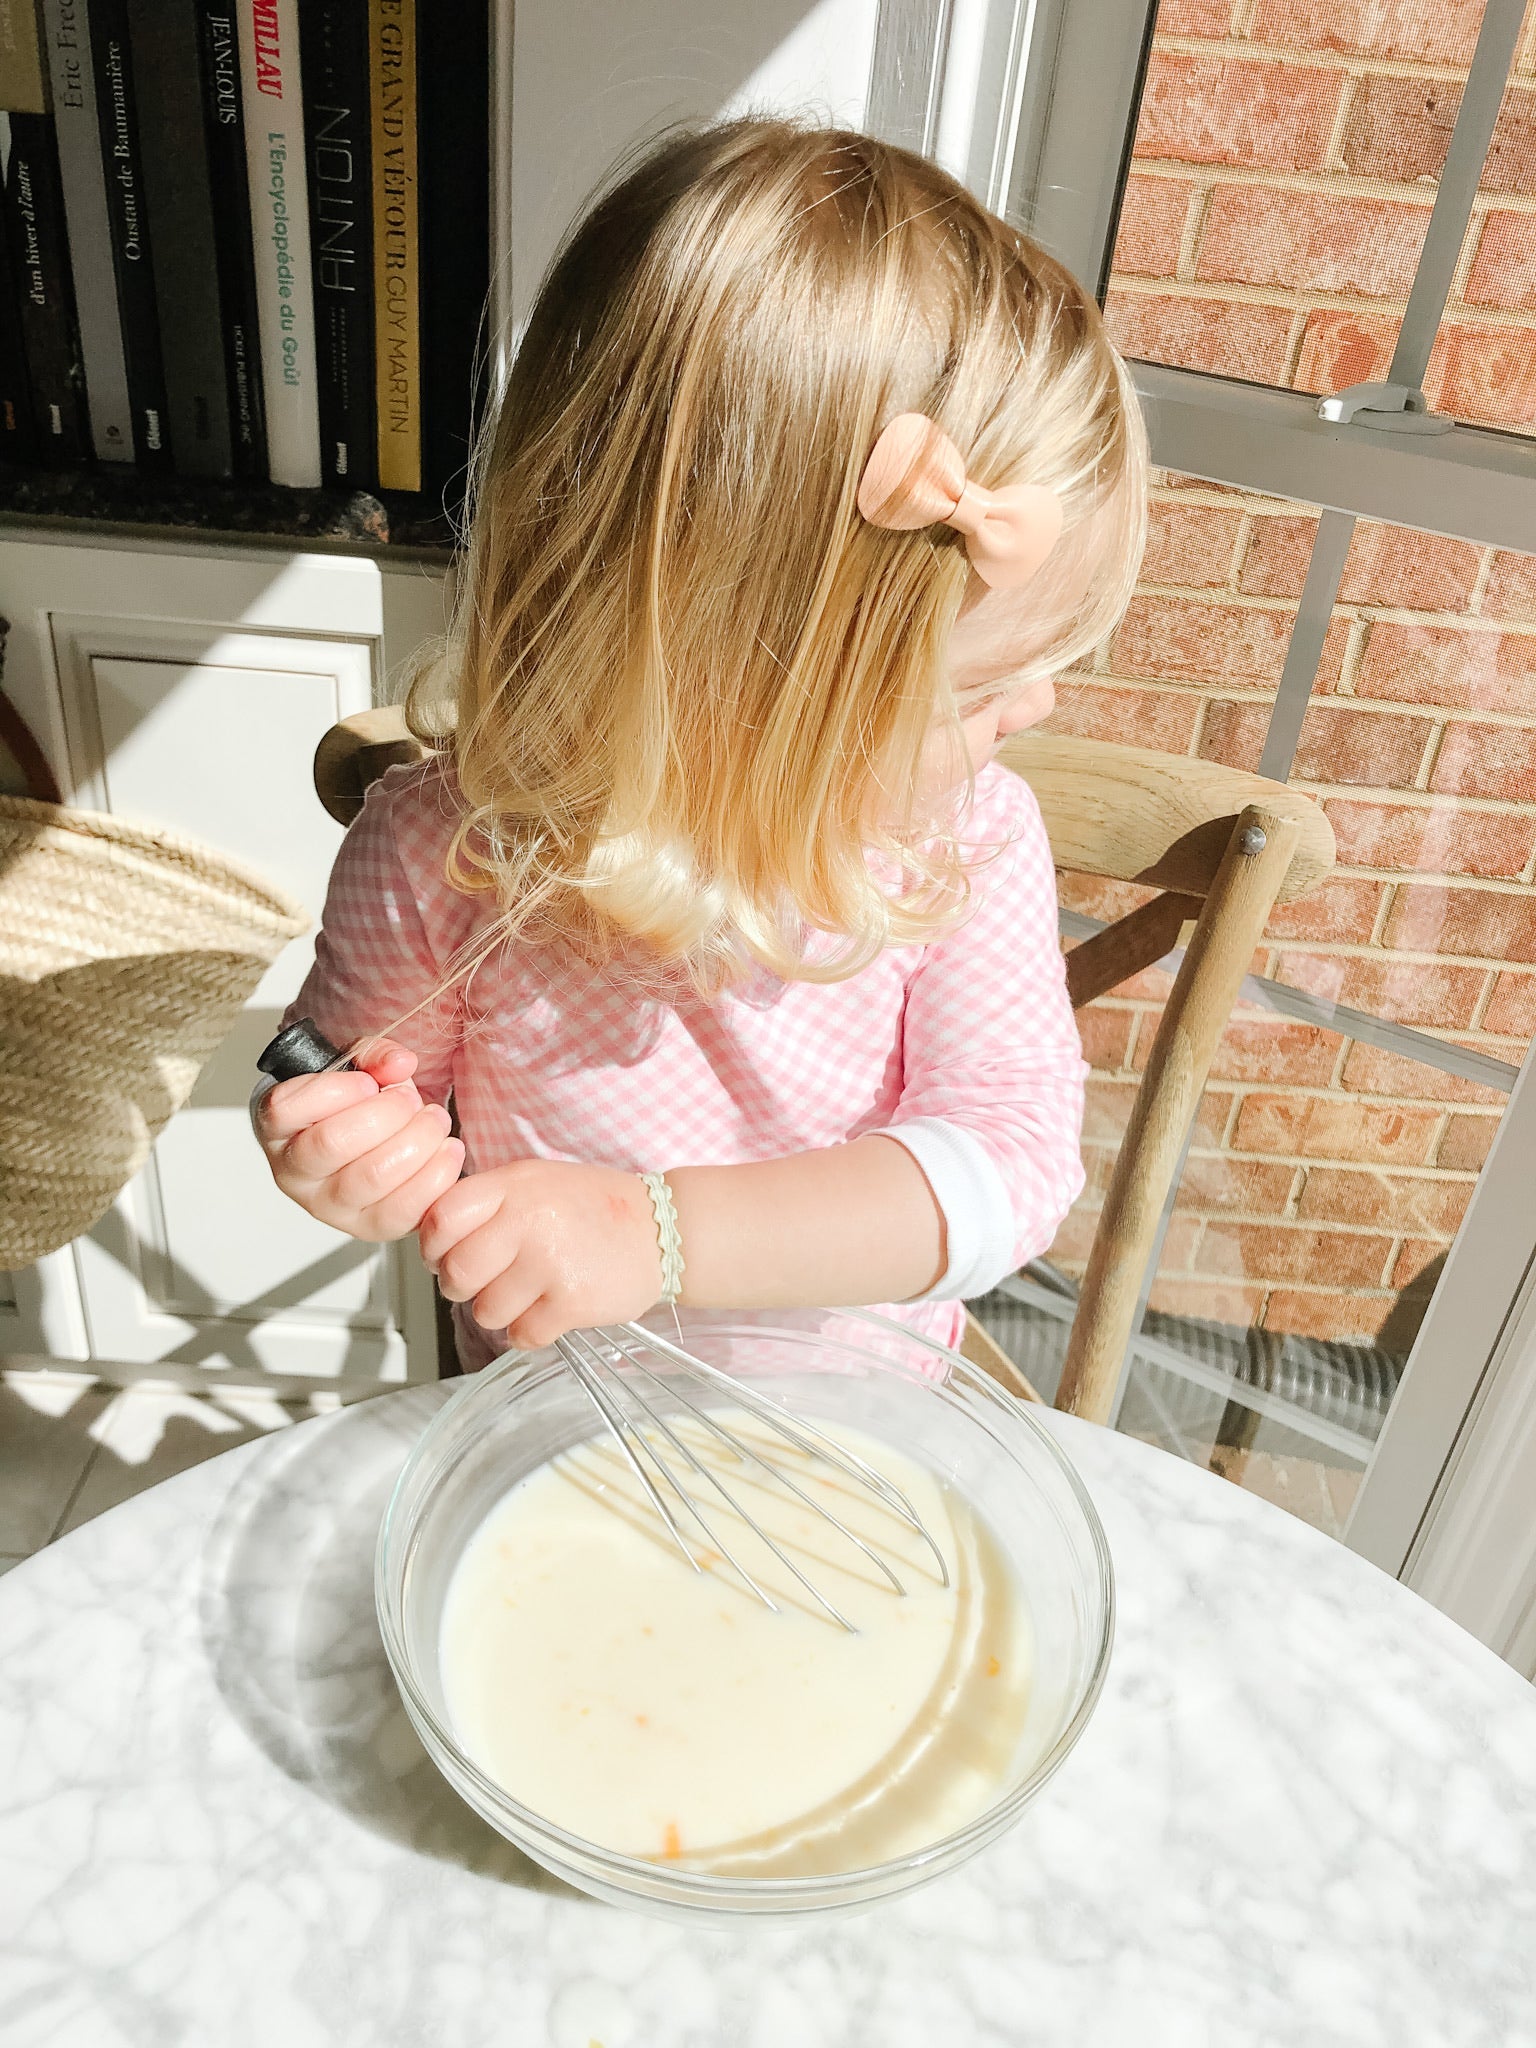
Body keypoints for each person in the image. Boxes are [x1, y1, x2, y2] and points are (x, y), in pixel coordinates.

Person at [255, 120, 1148, 1372]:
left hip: (859, 1442)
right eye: (986, 681)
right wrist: (341, 1156)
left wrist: (659, 1233)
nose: (1039, 706)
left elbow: (1012, 1160)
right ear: (744, 679)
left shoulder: (970, 836)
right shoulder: (445, 857)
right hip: (558, 1440)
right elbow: (351, 1087)